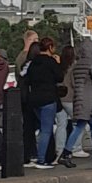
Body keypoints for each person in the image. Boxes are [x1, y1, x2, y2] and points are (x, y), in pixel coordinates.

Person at [60, 35, 92, 165]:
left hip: (78, 98)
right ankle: (66, 152)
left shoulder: (77, 64)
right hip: (89, 99)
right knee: (80, 127)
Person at [23, 38, 63, 168]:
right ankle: (42, 159)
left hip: (34, 98)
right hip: (48, 98)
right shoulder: (51, 62)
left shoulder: (33, 62)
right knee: (46, 130)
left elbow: (27, 79)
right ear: (50, 47)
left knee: (41, 128)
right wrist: (58, 63)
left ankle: (36, 155)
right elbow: (59, 77)